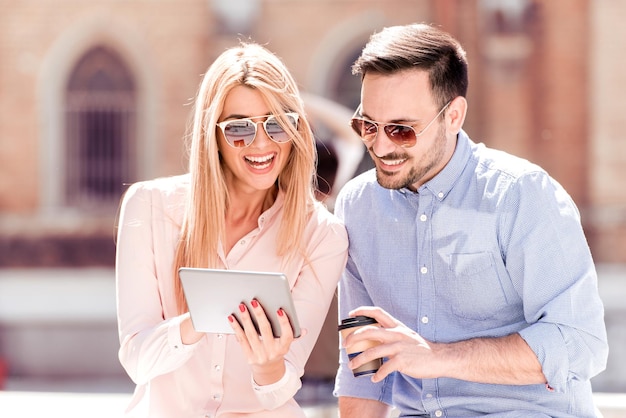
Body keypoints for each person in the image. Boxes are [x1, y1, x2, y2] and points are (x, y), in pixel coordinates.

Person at [333, 23, 608, 417]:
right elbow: (364, 364)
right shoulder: (357, 206)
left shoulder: (522, 195)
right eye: (368, 126)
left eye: (401, 130)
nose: (380, 145)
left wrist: (437, 357)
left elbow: (580, 343)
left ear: (454, 116)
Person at [115, 42, 348, 417]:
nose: (261, 143)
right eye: (239, 128)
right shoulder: (150, 206)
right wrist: (202, 316)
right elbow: (138, 361)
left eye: (277, 124)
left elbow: (281, 387)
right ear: (214, 136)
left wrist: (268, 366)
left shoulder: (323, 235)